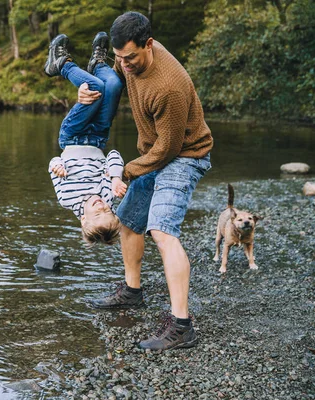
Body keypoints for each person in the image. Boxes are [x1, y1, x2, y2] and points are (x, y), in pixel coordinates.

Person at [80, 12, 214, 350]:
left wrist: (124, 171)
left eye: (130, 57)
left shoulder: (168, 86)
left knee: (161, 230)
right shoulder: (130, 59)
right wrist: (87, 92)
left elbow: (167, 150)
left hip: (185, 155)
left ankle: (182, 326)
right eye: (119, 57)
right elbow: (112, 82)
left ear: (149, 45)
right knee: (128, 219)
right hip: (155, 152)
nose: (124, 64)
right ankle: (132, 292)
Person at [45, 32, 127, 245]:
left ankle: (61, 64)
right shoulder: (107, 196)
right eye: (108, 211)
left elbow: (53, 163)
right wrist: (116, 177)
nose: (102, 206)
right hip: (99, 136)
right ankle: (98, 63)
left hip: (72, 135)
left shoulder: (67, 198)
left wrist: (57, 166)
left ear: (83, 219)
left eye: (98, 214)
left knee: (96, 88)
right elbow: (113, 155)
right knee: (114, 85)